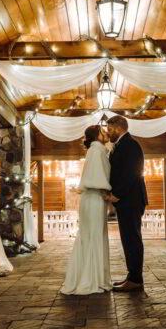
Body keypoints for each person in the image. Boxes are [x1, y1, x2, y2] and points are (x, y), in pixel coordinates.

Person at [60, 125, 113, 295]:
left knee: (91, 236)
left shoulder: (96, 150)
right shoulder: (96, 150)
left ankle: (92, 277)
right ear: (97, 135)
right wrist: (108, 192)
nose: (106, 133)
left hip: (93, 198)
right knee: (93, 237)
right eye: (103, 131)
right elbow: (96, 178)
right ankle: (91, 279)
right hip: (95, 198)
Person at [106, 115, 147, 292]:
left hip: (131, 199)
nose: (108, 133)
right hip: (127, 200)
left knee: (132, 239)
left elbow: (133, 173)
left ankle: (136, 280)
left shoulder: (130, 145)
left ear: (119, 127)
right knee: (128, 239)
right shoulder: (121, 145)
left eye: (109, 129)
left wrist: (117, 194)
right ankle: (132, 276)